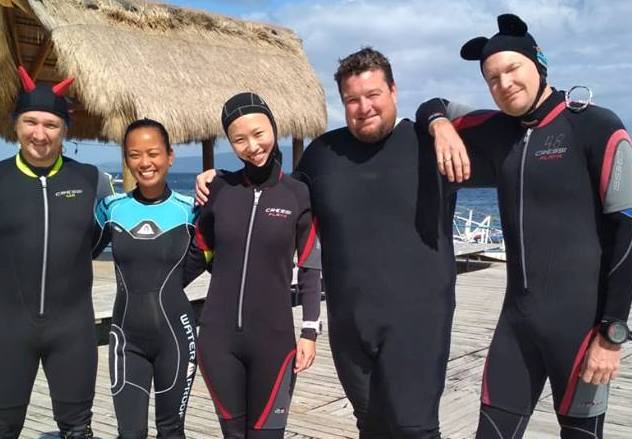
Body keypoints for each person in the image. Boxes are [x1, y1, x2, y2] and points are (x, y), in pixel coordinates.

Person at [196, 50, 457, 438]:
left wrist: (438, 116)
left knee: (414, 429)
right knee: (371, 425)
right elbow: (276, 192)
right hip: (351, 324)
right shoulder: (324, 153)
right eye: (352, 99)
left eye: (373, 95)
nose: (363, 107)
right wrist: (223, 180)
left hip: (417, 320)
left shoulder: (429, 141)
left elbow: (499, 127)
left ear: (394, 91)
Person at [415, 14, 632, 438]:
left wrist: (612, 335)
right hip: (515, 327)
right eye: (492, 78)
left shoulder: (596, 126)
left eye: (512, 69)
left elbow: (627, 237)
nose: (504, 84)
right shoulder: (497, 130)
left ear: (538, 63)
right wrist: (440, 126)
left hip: (581, 331)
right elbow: (433, 106)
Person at [0, 66, 114, 438]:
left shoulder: (93, 182)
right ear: (16, 125)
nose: (40, 134)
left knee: (77, 429)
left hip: (72, 329)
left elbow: (112, 235)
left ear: (65, 130)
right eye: (30, 122)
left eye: (51, 124)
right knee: (0, 429)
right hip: (9, 329)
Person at [184, 92, 322, 438]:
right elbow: (197, 254)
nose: (252, 146)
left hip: (274, 344)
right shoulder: (219, 189)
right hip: (218, 342)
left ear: (274, 129)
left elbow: (309, 266)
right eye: (239, 139)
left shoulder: (298, 194)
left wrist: (309, 331)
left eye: (259, 133)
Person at [92, 118, 197, 439]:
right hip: (126, 340)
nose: (145, 162)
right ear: (126, 159)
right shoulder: (111, 208)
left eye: (153, 153)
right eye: (135, 154)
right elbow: (73, 257)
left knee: (171, 430)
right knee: (130, 433)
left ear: (170, 156)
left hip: (176, 339)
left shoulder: (191, 210)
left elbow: (222, 261)